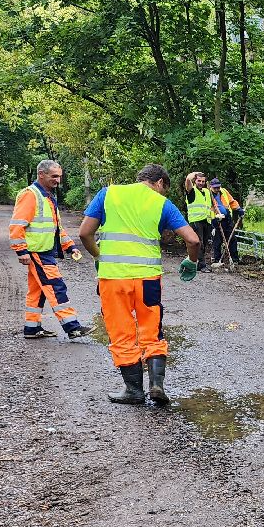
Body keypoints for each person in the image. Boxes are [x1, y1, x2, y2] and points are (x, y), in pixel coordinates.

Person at [78, 164, 202, 406]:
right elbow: (193, 239)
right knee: (152, 330)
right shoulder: (161, 203)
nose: (162, 195)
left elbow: (85, 233)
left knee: (121, 332)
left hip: (113, 279)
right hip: (148, 280)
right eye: (164, 190)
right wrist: (192, 261)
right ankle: (156, 385)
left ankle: (133, 390)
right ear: (159, 183)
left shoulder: (108, 194)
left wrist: (98, 257)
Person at [10, 159, 91, 340]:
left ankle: (32, 328)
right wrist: (20, 250)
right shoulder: (31, 195)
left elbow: (55, 229)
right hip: (37, 252)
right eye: (54, 176)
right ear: (41, 174)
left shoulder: (47, 197)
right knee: (56, 287)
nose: (58, 180)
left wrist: (70, 247)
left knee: (37, 291)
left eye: (59, 177)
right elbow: (16, 225)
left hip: (43, 251)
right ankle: (73, 327)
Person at [183, 171, 215, 272]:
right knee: (199, 243)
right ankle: (202, 264)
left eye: (203, 181)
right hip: (196, 221)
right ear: (195, 181)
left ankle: (195, 262)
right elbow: (188, 180)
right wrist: (194, 173)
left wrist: (215, 216)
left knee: (204, 243)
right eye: (199, 181)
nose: (201, 183)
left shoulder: (206, 191)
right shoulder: (191, 191)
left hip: (207, 220)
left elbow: (210, 206)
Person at [209, 178, 242, 268]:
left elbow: (232, 201)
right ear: (211, 187)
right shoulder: (208, 194)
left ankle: (235, 260)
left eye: (218, 187)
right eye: (215, 188)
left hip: (227, 219)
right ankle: (217, 260)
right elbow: (207, 208)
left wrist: (238, 209)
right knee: (217, 241)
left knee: (232, 239)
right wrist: (215, 218)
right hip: (216, 221)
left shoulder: (223, 191)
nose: (217, 189)